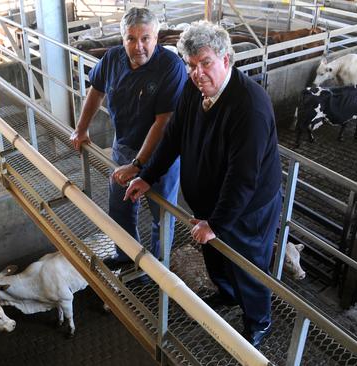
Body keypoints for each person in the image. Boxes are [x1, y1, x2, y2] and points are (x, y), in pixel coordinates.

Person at [124, 20, 282, 348]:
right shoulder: (194, 92)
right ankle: (227, 294)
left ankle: (258, 319)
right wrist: (146, 176)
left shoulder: (249, 107)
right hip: (210, 208)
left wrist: (218, 223)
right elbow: (173, 138)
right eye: (192, 65)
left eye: (206, 63)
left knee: (247, 264)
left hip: (245, 210)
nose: (198, 73)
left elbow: (244, 178)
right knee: (215, 258)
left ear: (226, 60)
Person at [70, 7, 187, 268]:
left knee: (162, 215)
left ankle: (158, 268)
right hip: (123, 147)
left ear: (156, 38)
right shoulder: (112, 59)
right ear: (123, 39)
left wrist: (138, 165)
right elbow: (96, 91)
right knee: (120, 209)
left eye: (145, 38)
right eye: (131, 39)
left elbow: (164, 121)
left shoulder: (171, 67)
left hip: (161, 157)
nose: (138, 46)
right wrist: (81, 129)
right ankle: (125, 256)